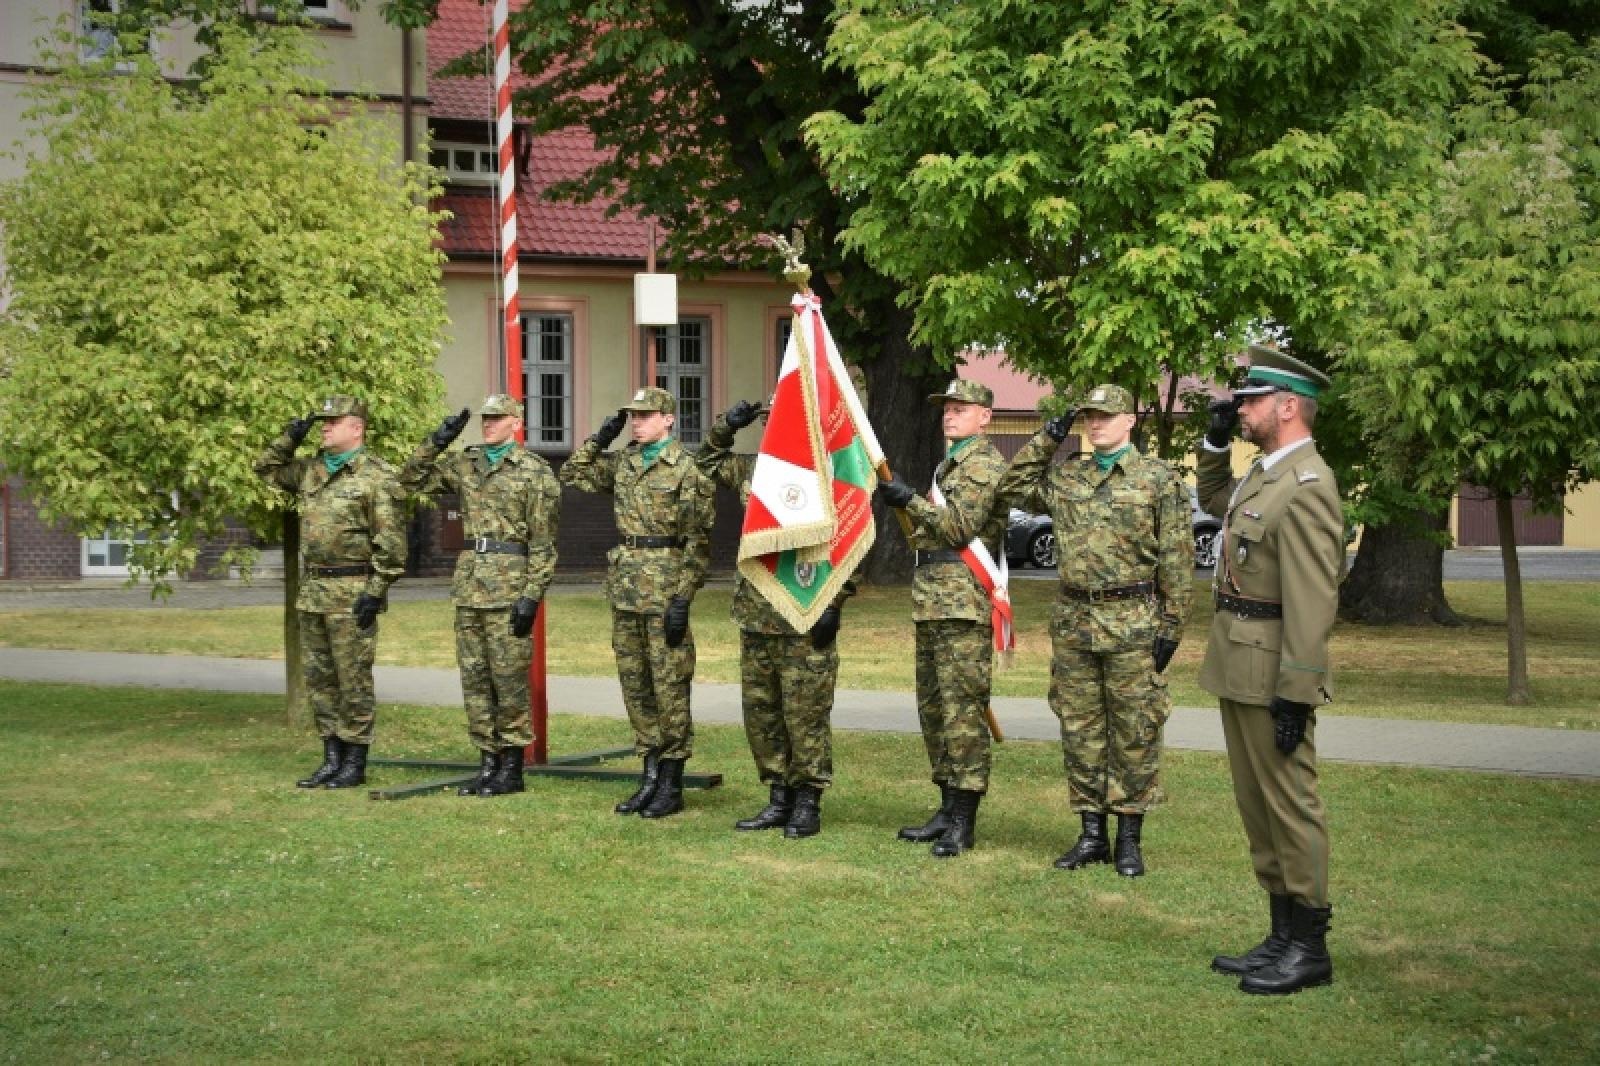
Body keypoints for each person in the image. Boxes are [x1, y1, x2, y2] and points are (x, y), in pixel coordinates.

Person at [998, 384, 1192, 877]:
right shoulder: (1068, 477)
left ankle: (1129, 836)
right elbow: (1013, 485)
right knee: (1080, 729)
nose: (1095, 423)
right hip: (1075, 622)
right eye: (1088, 417)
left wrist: (1172, 623)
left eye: (1106, 416)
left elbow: (1176, 556)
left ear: (1130, 421)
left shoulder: (1157, 479)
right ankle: (1091, 834)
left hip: (1133, 620)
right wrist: (1047, 436)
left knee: (1134, 730)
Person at [1196, 345, 1343, 995]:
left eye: (1251, 400)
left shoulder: (1310, 484)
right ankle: (1280, 933)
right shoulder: (1265, 473)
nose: (1241, 408)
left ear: (1288, 407)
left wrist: (1298, 690)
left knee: (1292, 804)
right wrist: (1212, 440)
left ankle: (1309, 946)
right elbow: (1215, 495)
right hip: (1238, 657)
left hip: (1273, 667)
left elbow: (1314, 597)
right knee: (1258, 805)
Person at [697, 397, 854, 839]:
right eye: (770, 421)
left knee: (805, 714)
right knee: (762, 712)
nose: (775, 428)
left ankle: (807, 802)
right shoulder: (753, 469)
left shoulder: (829, 473)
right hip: (755, 612)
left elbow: (852, 539)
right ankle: (777, 797)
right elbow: (707, 462)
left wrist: (835, 602)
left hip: (805, 611)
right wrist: (727, 425)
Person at [559, 386, 716, 819]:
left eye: (645, 416)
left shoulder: (687, 469)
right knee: (636, 684)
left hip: (665, 588)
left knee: (669, 686)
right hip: (627, 589)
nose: (636, 422)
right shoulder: (625, 462)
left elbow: (698, 542)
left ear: (668, 419)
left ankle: (671, 780)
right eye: (632, 416)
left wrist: (683, 598)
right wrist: (599, 438)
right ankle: (649, 774)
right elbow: (572, 472)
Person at [398, 395, 560, 798]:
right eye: (485, 419)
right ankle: (486, 761)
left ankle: (512, 765)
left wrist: (532, 596)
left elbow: (543, 544)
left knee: (508, 679)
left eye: (497, 418)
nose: (488, 424)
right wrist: (436, 442)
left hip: (510, 586)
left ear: (516, 422)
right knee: (475, 677)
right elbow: (408, 480)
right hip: (470, 584)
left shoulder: (534, 472)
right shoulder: (465, 463)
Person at [876, 378, 1010, 858]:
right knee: (933, 708)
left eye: (960, 408)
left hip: (963, 602)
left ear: (985, 416)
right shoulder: (951, 464)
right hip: (934, 599)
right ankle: (946, 806)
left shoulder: (983, 465)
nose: (949, 415)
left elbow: (957, 527)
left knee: (961, 713)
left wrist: (908, 499)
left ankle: (964, 818)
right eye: (946, 408)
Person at [255, 395, 406, 790]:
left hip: (353, 590)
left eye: (332, 421)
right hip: (314, 590)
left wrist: (375, 592)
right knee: (320, 679)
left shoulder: (377, 477)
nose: (323, 427)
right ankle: (330, 758)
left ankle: (354, 762)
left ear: (356, 428)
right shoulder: (310, 471)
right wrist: (290, 437)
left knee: (352, 678)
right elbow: (265, 468)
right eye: (322, 422)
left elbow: (391, 545)